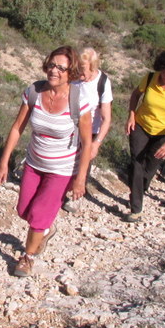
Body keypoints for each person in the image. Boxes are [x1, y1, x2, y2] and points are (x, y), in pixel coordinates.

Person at [0, 46, 92, 278]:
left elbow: (87, 143)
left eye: (61, 67)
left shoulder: (79, 100)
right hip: (34, 163)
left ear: (72, 72)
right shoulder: (34, 92)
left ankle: (27, 258)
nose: (54, 70)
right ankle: (46, 228)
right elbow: (18, 127)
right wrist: (4, 160)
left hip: (62, 168)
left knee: (38, 215)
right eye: (51, 64)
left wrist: (80, 179)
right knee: (23, 210)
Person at [123, 50, 165, 222]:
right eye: (164, 71)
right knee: (137, 163)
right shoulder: (149, 78)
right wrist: (131, 115)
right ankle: (136, 208)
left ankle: (141, 185)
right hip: (141, 125)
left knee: (150, 168)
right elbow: (135, 95)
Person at [62, 47, 112, 212]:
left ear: (93, 67)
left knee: (82, 165)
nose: (79, 73)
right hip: (69, 126)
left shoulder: (102, 82)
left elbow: (106, 118)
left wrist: (96, 143)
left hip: (90, 130)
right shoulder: (73, 77)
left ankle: (74, 196)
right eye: (77, 68)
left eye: (83, 69)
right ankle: (59, 193)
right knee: (65, 161)